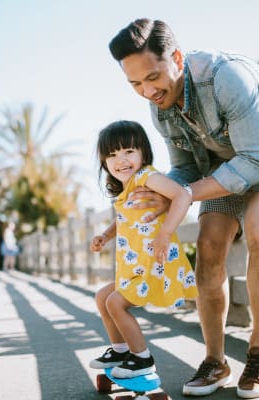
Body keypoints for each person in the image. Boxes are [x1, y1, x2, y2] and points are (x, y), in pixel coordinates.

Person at [109, 19, 259, 398]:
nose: (147, 91)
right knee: (209, 245)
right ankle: (216, 360)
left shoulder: (226, 76)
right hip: (223, 164)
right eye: (135, 84)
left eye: (153, 77)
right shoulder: (159, 107)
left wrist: (181, 194)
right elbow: (187, 169)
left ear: (176, 58)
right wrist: (168, 191)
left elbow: (257, 163)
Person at [88, 120, 198, 379]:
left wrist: (165, 232)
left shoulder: (147, 176)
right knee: (103, 298)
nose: (121, 160)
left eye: (128, 151)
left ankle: (142, 358)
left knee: (116, 303)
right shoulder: (127, 188)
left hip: (154, 262)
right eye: (112, 155)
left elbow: (182, 195)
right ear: (104, 162)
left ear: (143, 153)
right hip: (136, 266)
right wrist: (105, 235)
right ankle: (119, 350)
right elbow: (125, 217)